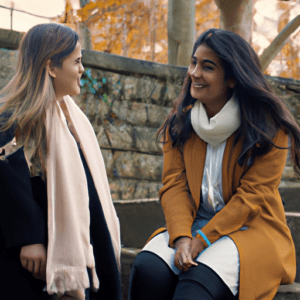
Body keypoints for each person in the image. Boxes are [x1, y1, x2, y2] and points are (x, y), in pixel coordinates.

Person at [128, 28, 299, 300]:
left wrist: (202, 240)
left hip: (251, 230)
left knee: (195, 285)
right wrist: (183, 238)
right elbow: (175, 186)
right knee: (148, 271)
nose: (194, 72)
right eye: (194, 63)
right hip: (194, 225)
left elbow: (252, 197)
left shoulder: (268, 130)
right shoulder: (180, 124)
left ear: (232, 78)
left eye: (207, 67)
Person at [0, 23, 121, 300]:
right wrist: (27, 237)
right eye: (77, 62)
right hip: (34, 260)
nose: (82, 70)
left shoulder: (72, 120)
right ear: (51, 67)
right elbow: (8, 183)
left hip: (82, 248)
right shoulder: (12, 119)